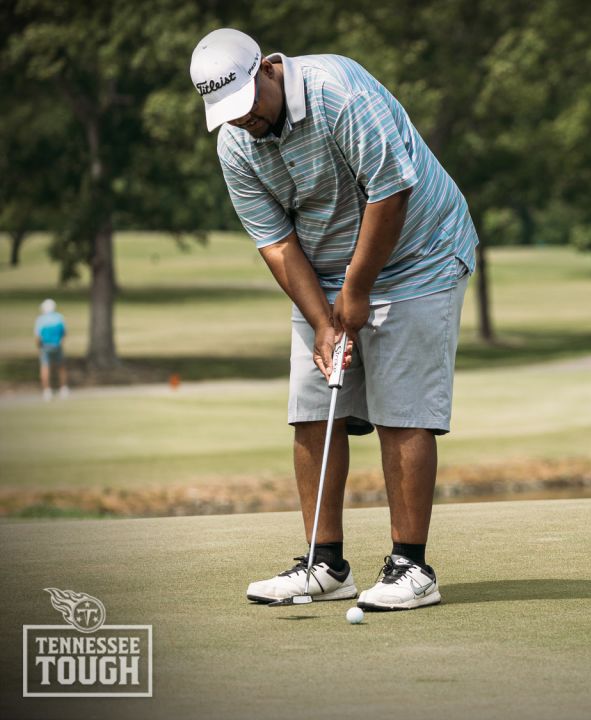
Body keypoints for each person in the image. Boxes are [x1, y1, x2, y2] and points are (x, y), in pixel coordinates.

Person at [191, 28, 477, 611]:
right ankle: (325, 565)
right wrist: (324, 321)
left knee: (403, 412)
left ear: (269, 69)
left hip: (420, 255)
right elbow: (275, 243)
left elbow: (391, 192)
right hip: (324, 275)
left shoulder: (338, 92)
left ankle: (411, 569)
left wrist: (357, 290)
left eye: (248, 106)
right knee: (313, 412)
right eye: (229, 115)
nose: (243, 121)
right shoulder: (235, 145)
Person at [34, 298, 68, 401]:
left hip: (45, 346)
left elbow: (38, 337)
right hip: (57, 345)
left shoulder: (41, 319)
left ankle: (47, 390)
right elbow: (64, 333)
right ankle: (63, 388)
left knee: (45, 367)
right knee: (61, 367)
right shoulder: (59, 317)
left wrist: (39, 347)